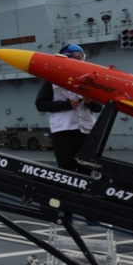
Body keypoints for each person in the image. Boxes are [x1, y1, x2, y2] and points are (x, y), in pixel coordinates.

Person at [34, 44, 102, 173]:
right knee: (66, 169)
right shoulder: (52, 80)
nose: (79, 61)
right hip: (64, 131)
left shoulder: (90, 81)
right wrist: (67, 104)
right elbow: (40, 104)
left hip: (87, 131)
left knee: (88, 168)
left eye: (81, 58)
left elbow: (98, 108)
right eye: (76, 58)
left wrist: (89, 102)